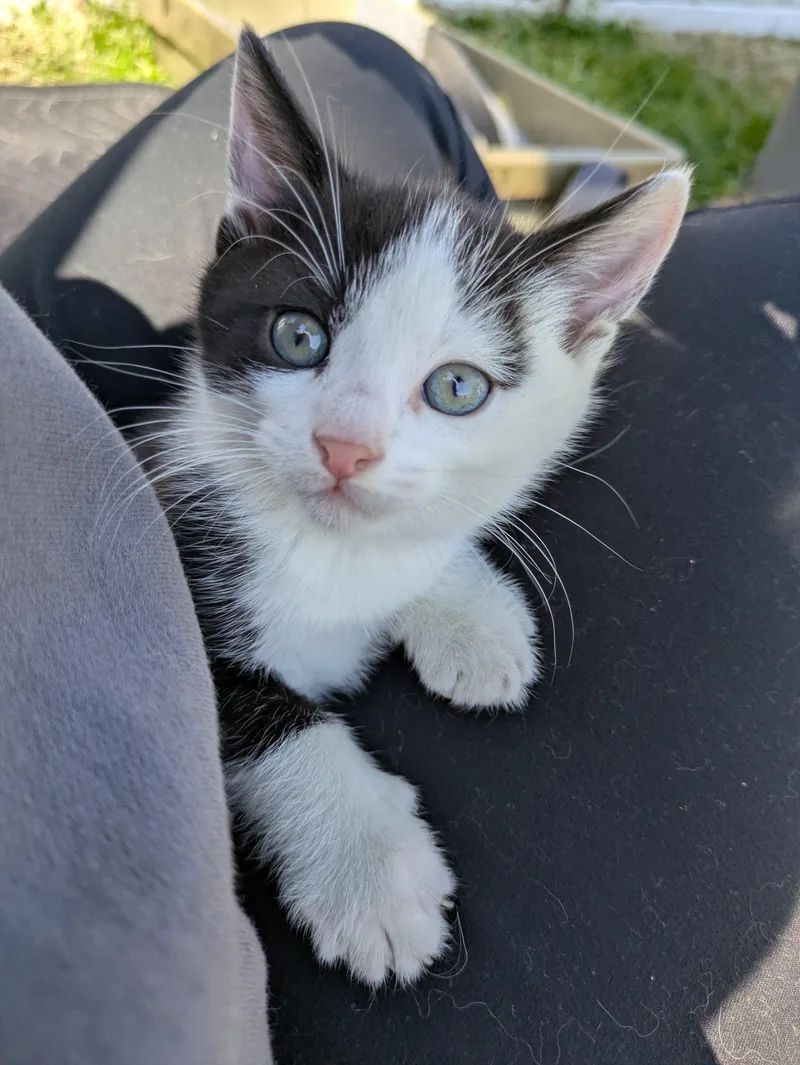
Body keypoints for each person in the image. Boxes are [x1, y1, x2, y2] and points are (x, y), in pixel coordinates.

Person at [1, 22, 798, 1065]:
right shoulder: (194, 507)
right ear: (245, 231)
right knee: (327, 53)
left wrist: (436, 573)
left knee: (333, 50)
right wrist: (322, 798)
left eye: (451, 389)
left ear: (581, 332)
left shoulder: (405, 456)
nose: (350, 441)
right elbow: (173, 660)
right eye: (302, 339)